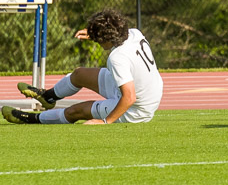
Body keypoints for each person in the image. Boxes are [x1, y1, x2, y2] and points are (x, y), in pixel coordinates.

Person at [3, 9, 163, 125]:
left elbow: (129, 97)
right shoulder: (134, 33)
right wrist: (95, 32)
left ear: (107, 38)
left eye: (98, 39)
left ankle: (30, 119)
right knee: (79, 74)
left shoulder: (117, 58)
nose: (97, 43)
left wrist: (105, 122)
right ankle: (48, 97)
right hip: (146, 91)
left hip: (136, 109)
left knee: (75, 111)